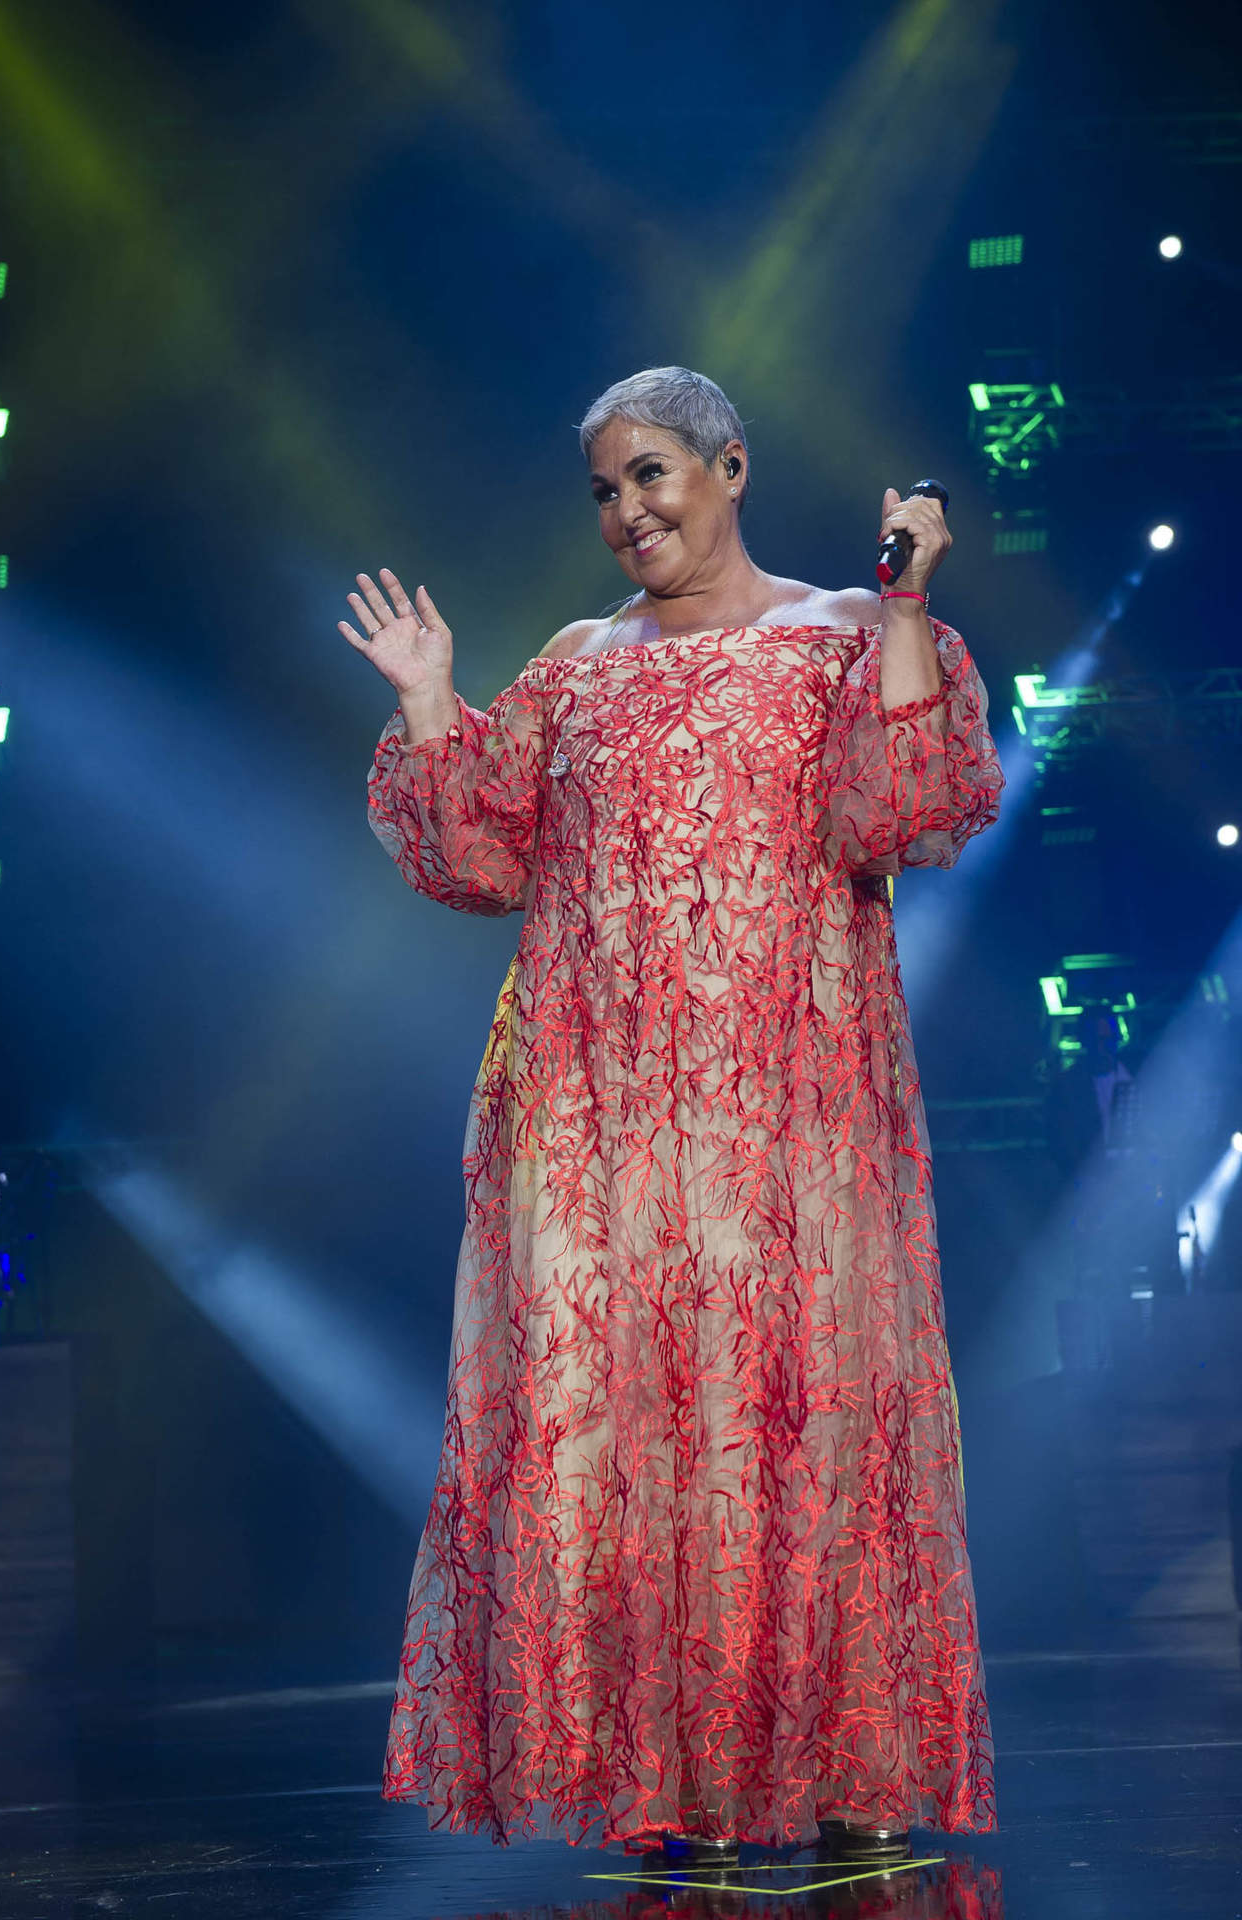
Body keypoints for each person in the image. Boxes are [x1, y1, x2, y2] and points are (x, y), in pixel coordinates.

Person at [342, 367, 1003, 1865]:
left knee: (809, 1421)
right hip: (607, 1125)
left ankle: (848, 1773)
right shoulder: (577, 665)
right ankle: (675, 1785)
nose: (628, 512)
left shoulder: (842, 633)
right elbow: (480, 855)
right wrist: (433, 695)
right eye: (604, 491)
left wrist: (907, 601)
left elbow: (906, 810)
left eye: (650, 474)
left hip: (795, 1114)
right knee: (639, 1441)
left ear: (731, 468)